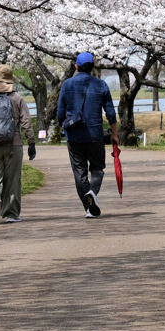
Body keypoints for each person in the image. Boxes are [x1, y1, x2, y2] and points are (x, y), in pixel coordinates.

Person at [56, 52, 118, 218]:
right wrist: (114, 134)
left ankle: (88, 208)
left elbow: (60, 113)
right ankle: (92, 192)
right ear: (93, 67)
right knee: (98, 168)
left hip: (74, 136)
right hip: (95, 134)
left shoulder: (67, 85)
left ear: (76, 66)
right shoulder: (101, 85)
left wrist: (64, 126)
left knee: (79, 172)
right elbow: (110, 112)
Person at [0, 64, 35, 225]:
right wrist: (31, 143)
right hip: (13, 145)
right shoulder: (17, 98)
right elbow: (26, 123)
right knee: (12, 180)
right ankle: (12, 214)